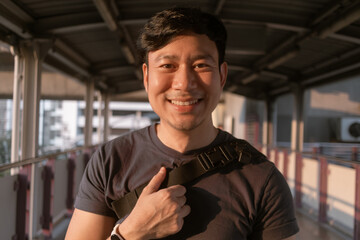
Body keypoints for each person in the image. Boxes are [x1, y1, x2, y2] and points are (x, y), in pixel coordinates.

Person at [65, 7, 299, 240]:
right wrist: (129, 234)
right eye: (168, 66)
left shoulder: (261, 179)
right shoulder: (110, 160)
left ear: (222, 75)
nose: (184, 83)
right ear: (147, 77)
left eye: (201, 65)